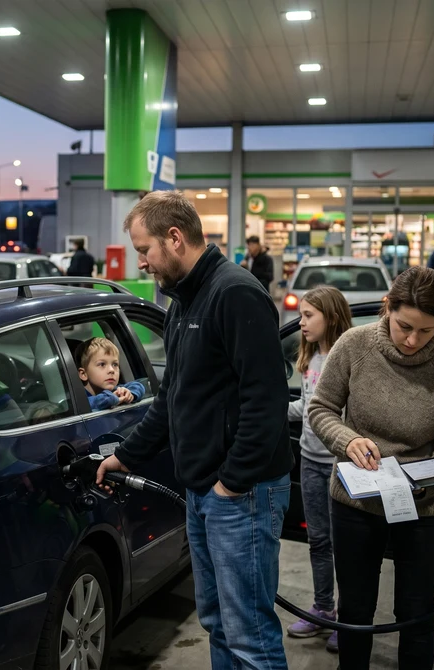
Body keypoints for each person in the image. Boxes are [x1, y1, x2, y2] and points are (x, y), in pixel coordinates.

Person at [95, 190, 293, 669]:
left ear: (175, 238)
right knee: (219, 624)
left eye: (144, 250)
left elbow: (266, 403)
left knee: (249, 633)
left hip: (240, 493)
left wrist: (231, 483)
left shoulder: (235, 293)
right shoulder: (185, 300)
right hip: (208, 491)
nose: (142, 262)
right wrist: (127, 455)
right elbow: (172, 399)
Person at [307, 266, 434, 670]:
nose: (413, 340)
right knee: (355, 612)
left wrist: (424, 479)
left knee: (417, 613)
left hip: (425, 506)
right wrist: (348, 441)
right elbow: (322, 408)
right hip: (356, 501)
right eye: (405, 326)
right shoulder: (353, 345)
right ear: (387, 307)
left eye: (427, 331)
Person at [284, 285, 354, 654]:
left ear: (331, 316)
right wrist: (272, 410)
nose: (301, 323)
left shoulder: (345, 360)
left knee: (344, 545)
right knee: (319, 541)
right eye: (301, 315)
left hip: (341, 467)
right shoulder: (310, 360)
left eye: (309, 315)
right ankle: (323, 608)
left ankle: (347, 616)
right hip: (309, 460)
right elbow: (305, 408)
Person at [75, 337, 145, 411]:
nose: (111, 370)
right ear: (83, 374)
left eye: (115, 364)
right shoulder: (77, 400)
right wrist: (113, 399)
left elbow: (139, 385)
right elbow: (94, 402)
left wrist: (129, 393)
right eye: (102, 364)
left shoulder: (114, 390)